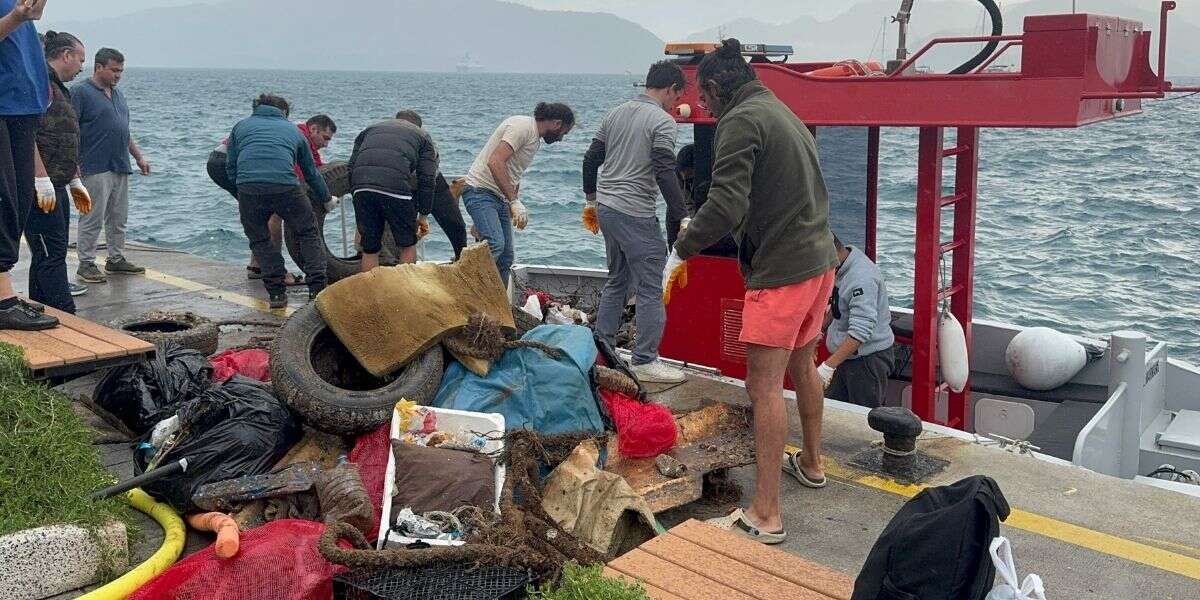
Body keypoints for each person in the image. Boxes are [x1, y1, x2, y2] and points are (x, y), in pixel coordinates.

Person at [667, 39, 838, 544]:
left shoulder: (739, 120)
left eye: (705, 98)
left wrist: (683, 245)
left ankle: (766, 514)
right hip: (819, 261)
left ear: (718, 88)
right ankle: (811, 462)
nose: (703, 107)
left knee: (763, 387)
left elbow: (724, 207)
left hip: (782, 273)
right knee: (802, 364)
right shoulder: (777, 108)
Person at [582, 60, 689, 383]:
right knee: (650, 285)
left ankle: (602, 348)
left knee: (617, 279)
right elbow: (664, 170)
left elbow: (591, 159)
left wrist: (590, 201)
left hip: (608, 208)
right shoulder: (663, 122)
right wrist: (683, 215)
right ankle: (645, 358)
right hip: (636, 212)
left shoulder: (615, 113)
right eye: (676, 97)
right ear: (671, 89)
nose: (675, 103)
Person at [226, 94, 332, 309]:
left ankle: (276, 294)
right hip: (286, 187)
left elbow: (231, 165)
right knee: (307, 232)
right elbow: (311, 172)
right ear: (284, 113)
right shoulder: (294, 131)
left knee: (260, 239)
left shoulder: (240, 127)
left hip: (249, 189)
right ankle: (316, 290)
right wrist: (326, 198)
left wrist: (243, 189)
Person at [209, 113, 336, 285]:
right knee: (273, 214)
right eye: (325, 138)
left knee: (261, 213)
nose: (326, 144)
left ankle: (257, 267)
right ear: (313, 129)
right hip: (227, 162)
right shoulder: (298, 136)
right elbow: (299, 177)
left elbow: (315, 167)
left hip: (219, 159)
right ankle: (278, 273)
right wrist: (324, 199)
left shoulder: (298, 135)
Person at [462, 102, 574, 285]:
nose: (561, 138)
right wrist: (514, 201)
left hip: (499, 199)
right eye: (564, 133)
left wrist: (511, 205)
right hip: (480, 191)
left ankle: (497, 307)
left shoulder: (534, 140)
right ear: (557, 124)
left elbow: (513, 172)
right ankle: (462, 284)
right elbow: (495, 161)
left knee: (506, 257)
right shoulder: (522, 127)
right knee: (495, 244)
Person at [0, 0, 58, 330]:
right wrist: (18, 16)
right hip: (3, 102)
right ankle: (2, 299)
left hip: (22, 105)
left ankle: (4, 291)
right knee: (3, 198)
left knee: (19, 200)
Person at [72, 46, 150, 284]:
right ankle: (86, 263)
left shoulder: (118, 95)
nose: (118, 75)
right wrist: (73, 164)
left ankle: (116, 259)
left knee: (118, 217)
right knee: (92, 217)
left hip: (120, 164)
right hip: (94, 166)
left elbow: (123, 130)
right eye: (114, 70)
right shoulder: (80, 92)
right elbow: (70, 130)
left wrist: (138, 156)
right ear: (98, 67)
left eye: (121, 71)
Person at [27, 29, 90, 313]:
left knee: (53, 252)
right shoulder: (40, 84)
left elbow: (64, 138)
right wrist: (40, 176)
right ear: (66, 55)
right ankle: (65, 313)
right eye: (80, 59)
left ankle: (41, 307)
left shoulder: (59, 89)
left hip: (58, 184)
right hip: (40, 186)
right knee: (49, 253)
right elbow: (26, 133)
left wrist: (75, 179)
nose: (81, 67)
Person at [348, 109, 439, 269]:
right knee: (407, 244)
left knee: (370, 248)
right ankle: (404, 291)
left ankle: (371, 292)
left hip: (361, 186)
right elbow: (427, 178)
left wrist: (356, 192)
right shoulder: (423, 137)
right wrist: (423, 215)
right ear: (418, 126)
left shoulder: (370, 129)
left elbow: (351, 166)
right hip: (396, 187)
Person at [819, 235, 895, 408]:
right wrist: (820, 329)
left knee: (865, 420)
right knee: (834, 412)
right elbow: (840, 304)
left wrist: (827, 367)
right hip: (845, 358)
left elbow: (860, 331)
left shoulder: (862, 278)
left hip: (867, 361)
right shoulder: (843, 265)